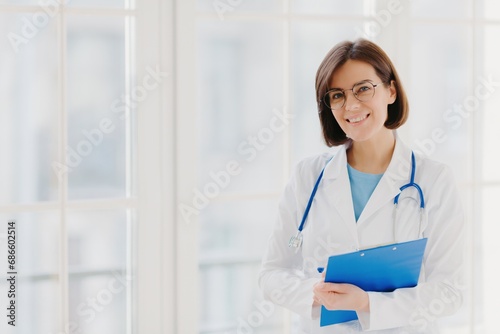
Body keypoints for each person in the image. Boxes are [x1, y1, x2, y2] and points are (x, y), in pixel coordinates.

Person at [258, 39, 465, 333]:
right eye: (337, 95)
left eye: (363, 88)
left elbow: (449, 291)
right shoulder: (308, 176)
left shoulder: (434, 180)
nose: (351, 105)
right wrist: (315, 294)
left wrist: (366, 303)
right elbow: (271, 274)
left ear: (391, 91)